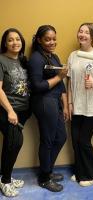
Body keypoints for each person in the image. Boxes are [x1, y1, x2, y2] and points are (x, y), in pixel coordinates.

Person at [28, 25, 68, 192]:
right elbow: (37, 86)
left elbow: (61, 84)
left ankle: (47, 170)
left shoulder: (53, 56)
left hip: (55, 101)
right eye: (47, 39)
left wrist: (65, 105)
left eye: (54, 38)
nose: (52, 42)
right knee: (48, 140)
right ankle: (44, 178)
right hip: (44, 102)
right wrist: (59, 76)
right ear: (39, 40)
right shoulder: (36, 58)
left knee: (61, 137)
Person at [67, 22, 93, 187]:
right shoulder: (73, 55)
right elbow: (69, 81)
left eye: (86, 32)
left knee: (84, 141)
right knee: (75, 141)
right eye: (80, 31)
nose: (82, 34)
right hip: (77, 106)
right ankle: (80, 172)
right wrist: (69, 102)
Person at [0, 28, 31, 197]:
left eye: (17, 39)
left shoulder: (22, 60)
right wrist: (10, 111)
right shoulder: (1, 60)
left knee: (10, 144)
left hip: (23, 110)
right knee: (15, 143)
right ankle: (5, 182)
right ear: (5, 43)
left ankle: (7, 177)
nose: (15, 42)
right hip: (8, 110)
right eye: (10, 40)